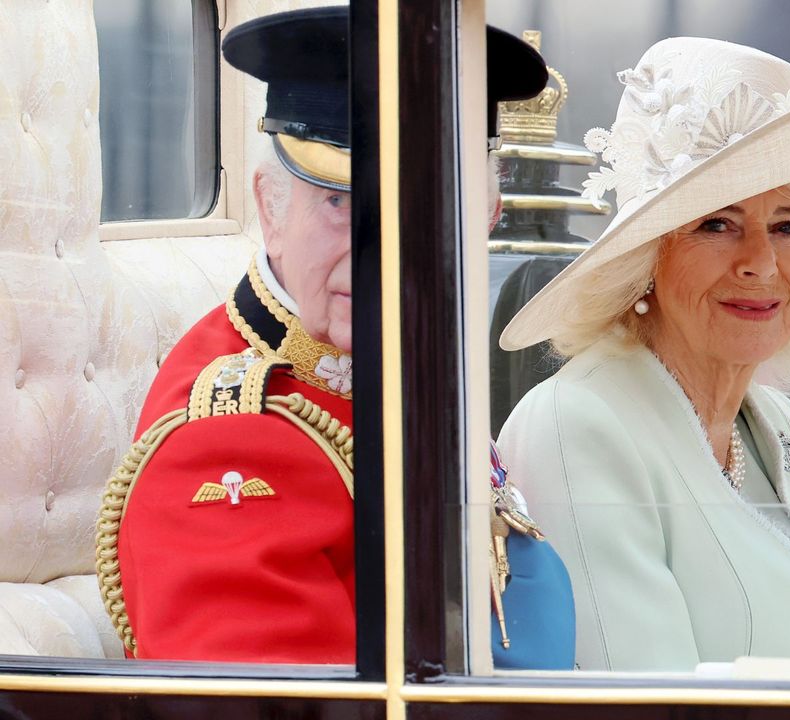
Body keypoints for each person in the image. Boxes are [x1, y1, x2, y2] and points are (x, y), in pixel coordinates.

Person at [94, 7, 551, 663]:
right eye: (341, 202)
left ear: (486, 221)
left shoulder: (410, 370)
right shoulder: (230, 442)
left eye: (429, 206)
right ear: (269, 208)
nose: (386, 247)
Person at [497, 37, 790, 671]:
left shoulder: (779, 426)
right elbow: (642, 704)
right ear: (645, 260)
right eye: (716, 224)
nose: (760, 263)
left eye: (789, 225)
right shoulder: (576, 427)